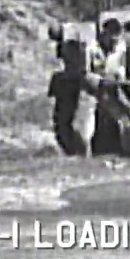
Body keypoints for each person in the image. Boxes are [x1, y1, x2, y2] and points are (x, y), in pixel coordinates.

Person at [91, 18, 130, 156]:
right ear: (106, 34)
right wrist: (103, 78)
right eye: (112, 36)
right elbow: (92, 72)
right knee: (120, 116)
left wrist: (120, 75)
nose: (115, 39)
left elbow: (121, 64)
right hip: (100, 88)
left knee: (129, 110)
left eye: (117, 36)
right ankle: (127, 149)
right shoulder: (94, 49)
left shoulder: (121, 46)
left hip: (116, 85)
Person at [47, 23, 99, 158]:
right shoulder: (66, 42)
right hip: (70, 80)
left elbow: (84, 53)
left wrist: (84, 71)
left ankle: (82, 152)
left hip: (80, 81)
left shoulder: (74, 36)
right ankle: (73, 151)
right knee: (65, 122)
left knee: (82, 124)